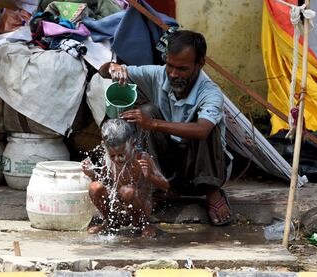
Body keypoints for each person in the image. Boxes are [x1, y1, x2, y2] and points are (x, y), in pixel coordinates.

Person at [98, 30, 233, 226]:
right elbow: (103, 72)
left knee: (207, 128)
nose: (173, 73)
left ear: (200, 64)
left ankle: (212, 192)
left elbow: (202, 130)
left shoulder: (210, 92)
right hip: (170, 165)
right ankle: (163, 188)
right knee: (148, 110)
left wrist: (153, 123)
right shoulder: (158, 75)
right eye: (170, 65)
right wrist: (113, 67)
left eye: (182, 68)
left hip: (202, 166)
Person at [82, 118, 169, 237]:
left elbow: (166, 185)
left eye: (121, 155)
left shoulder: (141, 158)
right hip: (119, 207)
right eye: (113, 155)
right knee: (94, 187)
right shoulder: (107, 159)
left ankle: (145, 224)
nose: (117, 159)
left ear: (132, 145)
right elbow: (102, 180)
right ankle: (111, 222)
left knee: (127, 191)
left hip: (140, 208)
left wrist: (149, 175)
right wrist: (92, 174)